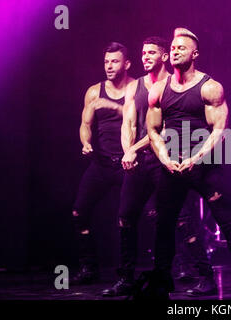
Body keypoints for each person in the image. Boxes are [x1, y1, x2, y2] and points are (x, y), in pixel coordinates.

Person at [145, 28, 231, 299]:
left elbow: (219, 128)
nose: (175, 51)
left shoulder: (210, 87)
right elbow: (153, 131)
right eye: (172, 48)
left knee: (227, 222)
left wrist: (197, 158)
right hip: (172, 166)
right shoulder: (158, 90)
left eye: (181, 48)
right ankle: (164, 284)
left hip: (204, 165)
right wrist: (166, 159)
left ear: (195, 54)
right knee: (164, 226)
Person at [102, 37, 217, 297]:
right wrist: (127, 151)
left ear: (164, 56)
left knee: (181, 219)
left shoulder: (171, 86)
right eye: (143, 53)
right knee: (125, 216)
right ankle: (127, 278)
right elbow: (128, 123)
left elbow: (163, 129)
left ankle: (204, 276)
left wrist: (134, 149)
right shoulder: (136, 86)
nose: (145, 57)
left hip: (163, 159)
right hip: (138, 162)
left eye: (151, 53)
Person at [71, 42, 134, 284]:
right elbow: (85, 125)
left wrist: (113, 107)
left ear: (126, 64)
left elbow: (140, 117)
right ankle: (89, 267)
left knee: (141, 215)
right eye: (106, 61)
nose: (109, 66)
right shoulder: (94, 91)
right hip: (102, 163)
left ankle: (131, 273)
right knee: (79, 212)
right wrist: (86, 143)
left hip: (129, 164)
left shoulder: (137, 87)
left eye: (114, 61)